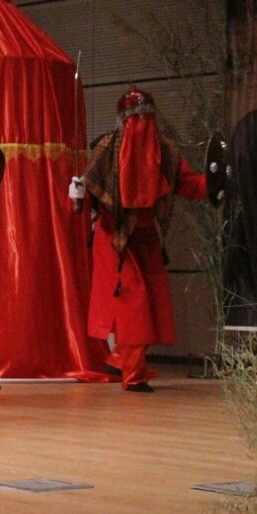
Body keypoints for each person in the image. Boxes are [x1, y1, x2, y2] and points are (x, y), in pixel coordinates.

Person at [70, 87, 207, 391]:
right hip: (115, 236)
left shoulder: (165, 152)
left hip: (145, 236)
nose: (142, 123)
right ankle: (133, 375)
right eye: (136, 117)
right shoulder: (108, 148)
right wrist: (79, 195)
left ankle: (122, 359)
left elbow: (189, 185)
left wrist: (217, 179)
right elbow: (91, 188)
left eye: (147, 116)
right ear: (123, 121)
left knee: (152, 304)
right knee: (134, 303)